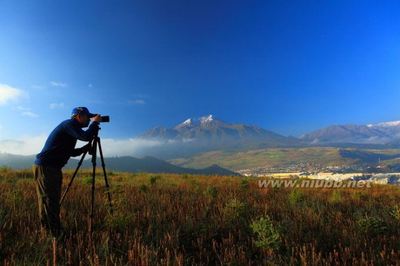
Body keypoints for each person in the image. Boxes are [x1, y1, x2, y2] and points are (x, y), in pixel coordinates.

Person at [33, 107, 101, 237]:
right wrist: (95, 123)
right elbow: (85, 136)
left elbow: (70, 151)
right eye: (88, 117)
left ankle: (53, 230)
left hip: (52, 168)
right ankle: (52, 234)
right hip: (46, 167)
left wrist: (85, 149)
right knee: (49, 200)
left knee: (52, 200)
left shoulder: (72, 128)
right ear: (78, 116)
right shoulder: (69, 124)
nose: (89, 120)